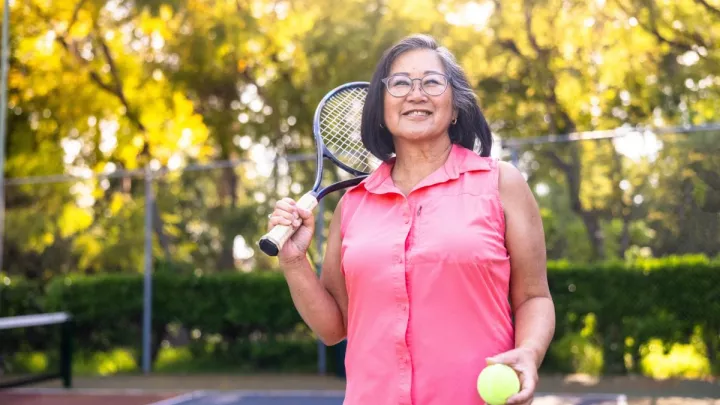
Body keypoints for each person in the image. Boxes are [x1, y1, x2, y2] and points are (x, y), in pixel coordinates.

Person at [267, 34, 555, 405]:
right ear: (381, 109)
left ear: (454, 107)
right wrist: (293, 261)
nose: (416, 93)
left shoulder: (502, 183)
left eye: (432, 82)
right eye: (400, 83)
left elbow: (534, 296)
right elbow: (332, 327)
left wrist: (529, 352)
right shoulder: (353, 205)